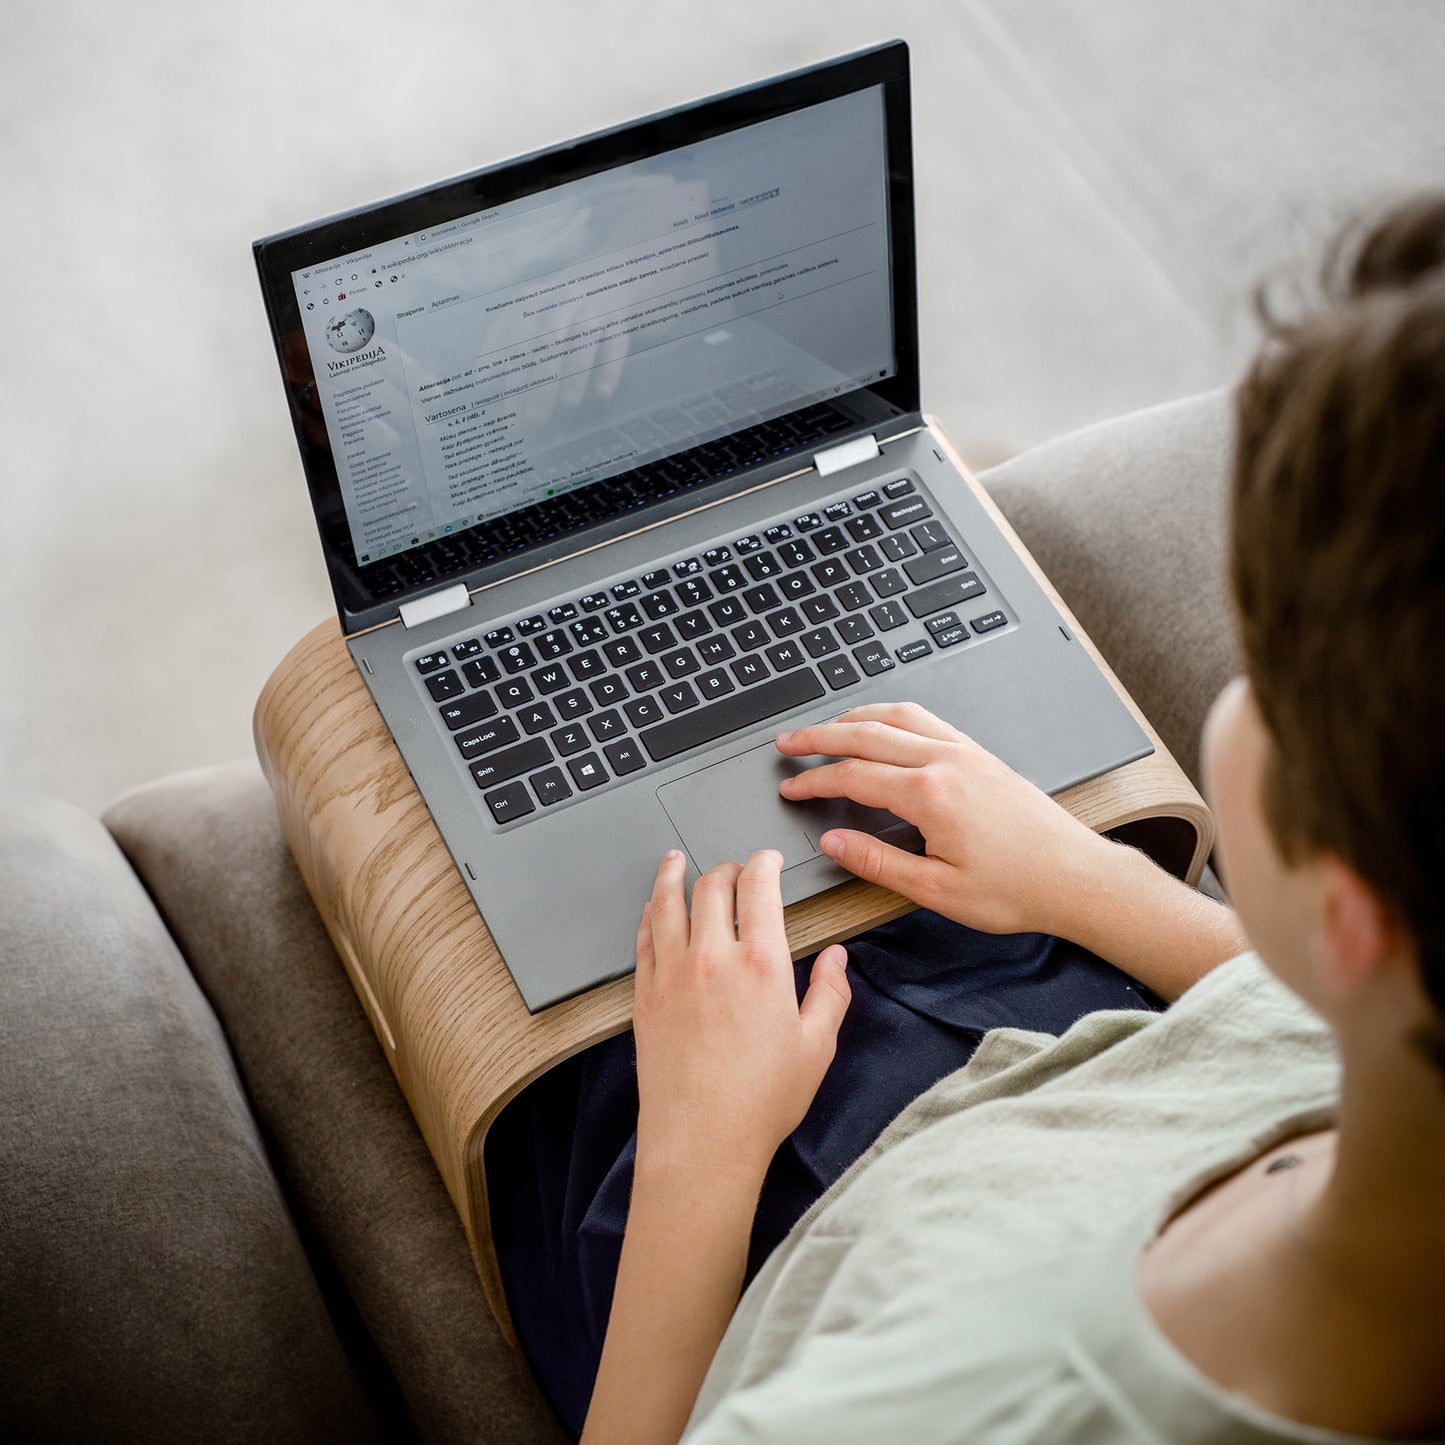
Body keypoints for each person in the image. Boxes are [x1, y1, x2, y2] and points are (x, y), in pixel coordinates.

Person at [516, 193, 1445, 1442]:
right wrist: (1075, 873)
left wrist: (695, 1152)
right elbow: (1324, 1028)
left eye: (1264, 683)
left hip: (745, 1229)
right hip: (1079, 1055)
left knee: (579, 1007)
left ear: (1346, 912)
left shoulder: (908, 1412)